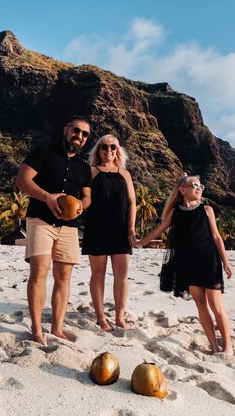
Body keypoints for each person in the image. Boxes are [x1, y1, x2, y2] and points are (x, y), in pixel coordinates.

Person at [15, 115, 92, 345]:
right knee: (39, 270)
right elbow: (23, 180)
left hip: (69, 227)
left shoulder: (84, 168)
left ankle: (57, 328)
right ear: (66, 130)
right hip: (40, 219)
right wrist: (48, 197)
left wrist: (80, 207)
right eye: (76, 131)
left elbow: (87, 197)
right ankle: (37, 329)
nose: (79, 136)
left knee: (64, 276)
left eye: (84, 134)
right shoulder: (43, 152)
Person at [137, 175, 234, 354]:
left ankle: (228, 347)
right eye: (195, 185)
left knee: (215, 304)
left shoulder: (206, 209)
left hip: (208, 260)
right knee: (201, 304)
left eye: (201, 186)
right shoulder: (175, 212)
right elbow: (158, 230)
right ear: (182, 190)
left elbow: (216, 236)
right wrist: (139, 242)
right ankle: (213, 347)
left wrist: (225, 261)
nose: (199, 188)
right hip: (188, 263)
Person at [82, 134, 137, 331]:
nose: (109, 150)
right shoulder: (92, 172)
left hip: (121, 228)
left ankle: (120, 318)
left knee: (122, 273)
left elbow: (132, 203)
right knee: (98, 273)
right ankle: (100, 317)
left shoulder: (125, 174)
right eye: (104, 147)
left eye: (113, 147)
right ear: (98, 150)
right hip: (97, 227)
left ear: (118, 150)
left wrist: (131, 228)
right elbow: (83, 198)